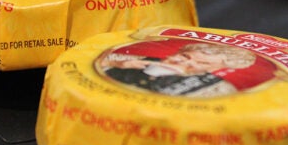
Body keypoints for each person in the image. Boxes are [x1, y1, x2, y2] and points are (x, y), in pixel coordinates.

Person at [98, 42, 256, 96]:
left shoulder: (217, 89)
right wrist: (115, 65)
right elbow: (89, 63)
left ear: (217, 69)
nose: (185, 63)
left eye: (202, 63)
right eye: (186, 56)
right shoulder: (127, 58)